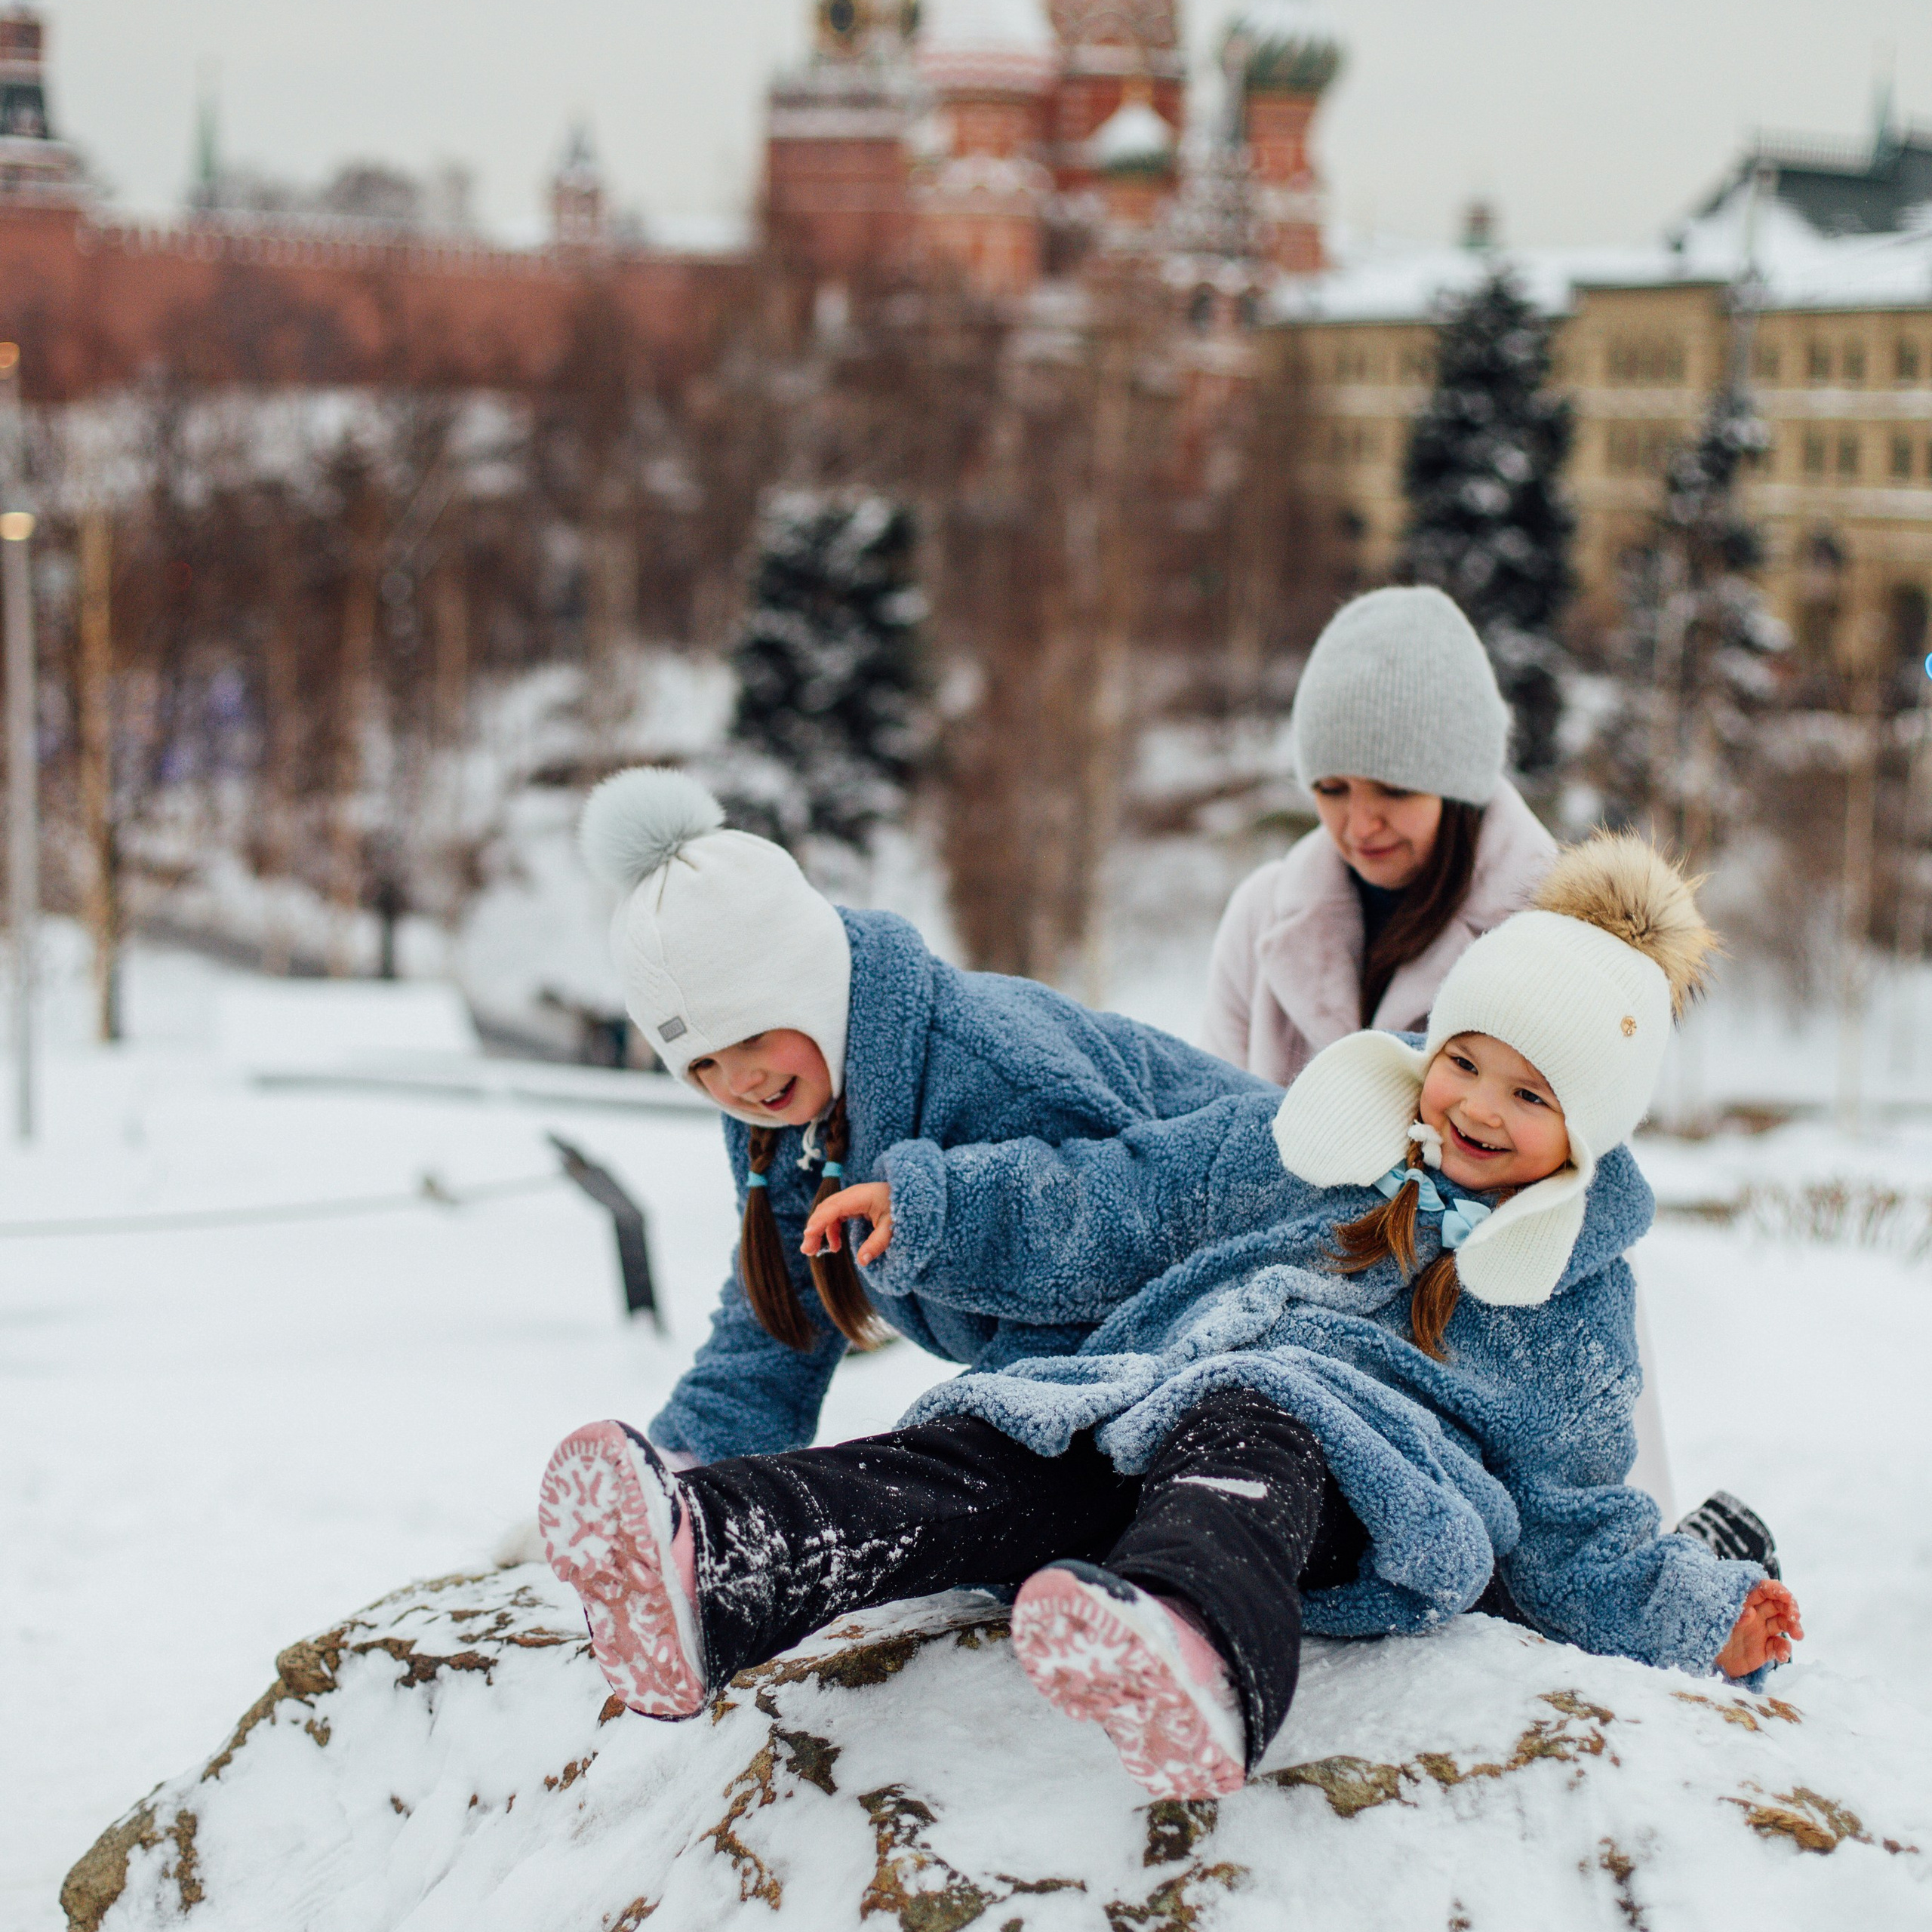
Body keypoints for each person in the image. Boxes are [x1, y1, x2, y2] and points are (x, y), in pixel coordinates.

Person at [539, 835, 1801, 1802]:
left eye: (1530, 1094)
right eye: (1464, 1059)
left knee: (1254, 1424)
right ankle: (720, 1563)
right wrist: (934, 1213)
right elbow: (1121, 1200)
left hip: (1358, 1488)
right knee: (996, 1448)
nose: (1475, 1103)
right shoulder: (1316, 1139)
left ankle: (1196, 1647)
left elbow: (1582, 1526)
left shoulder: (1572, 1298)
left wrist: (1701, 1610)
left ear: (1586, 1130)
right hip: (1151, 1397)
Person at [574, 765, 1269, 1467]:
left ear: (809, 982)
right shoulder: (789, 1101)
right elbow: (783, 1305)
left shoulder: (990, 1069)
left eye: (752, 1035)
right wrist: (689, 1461)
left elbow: (1117, 1242)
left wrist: (981, 1466)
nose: (739, 1081)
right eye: (702, 1066)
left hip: (1278, 1249)